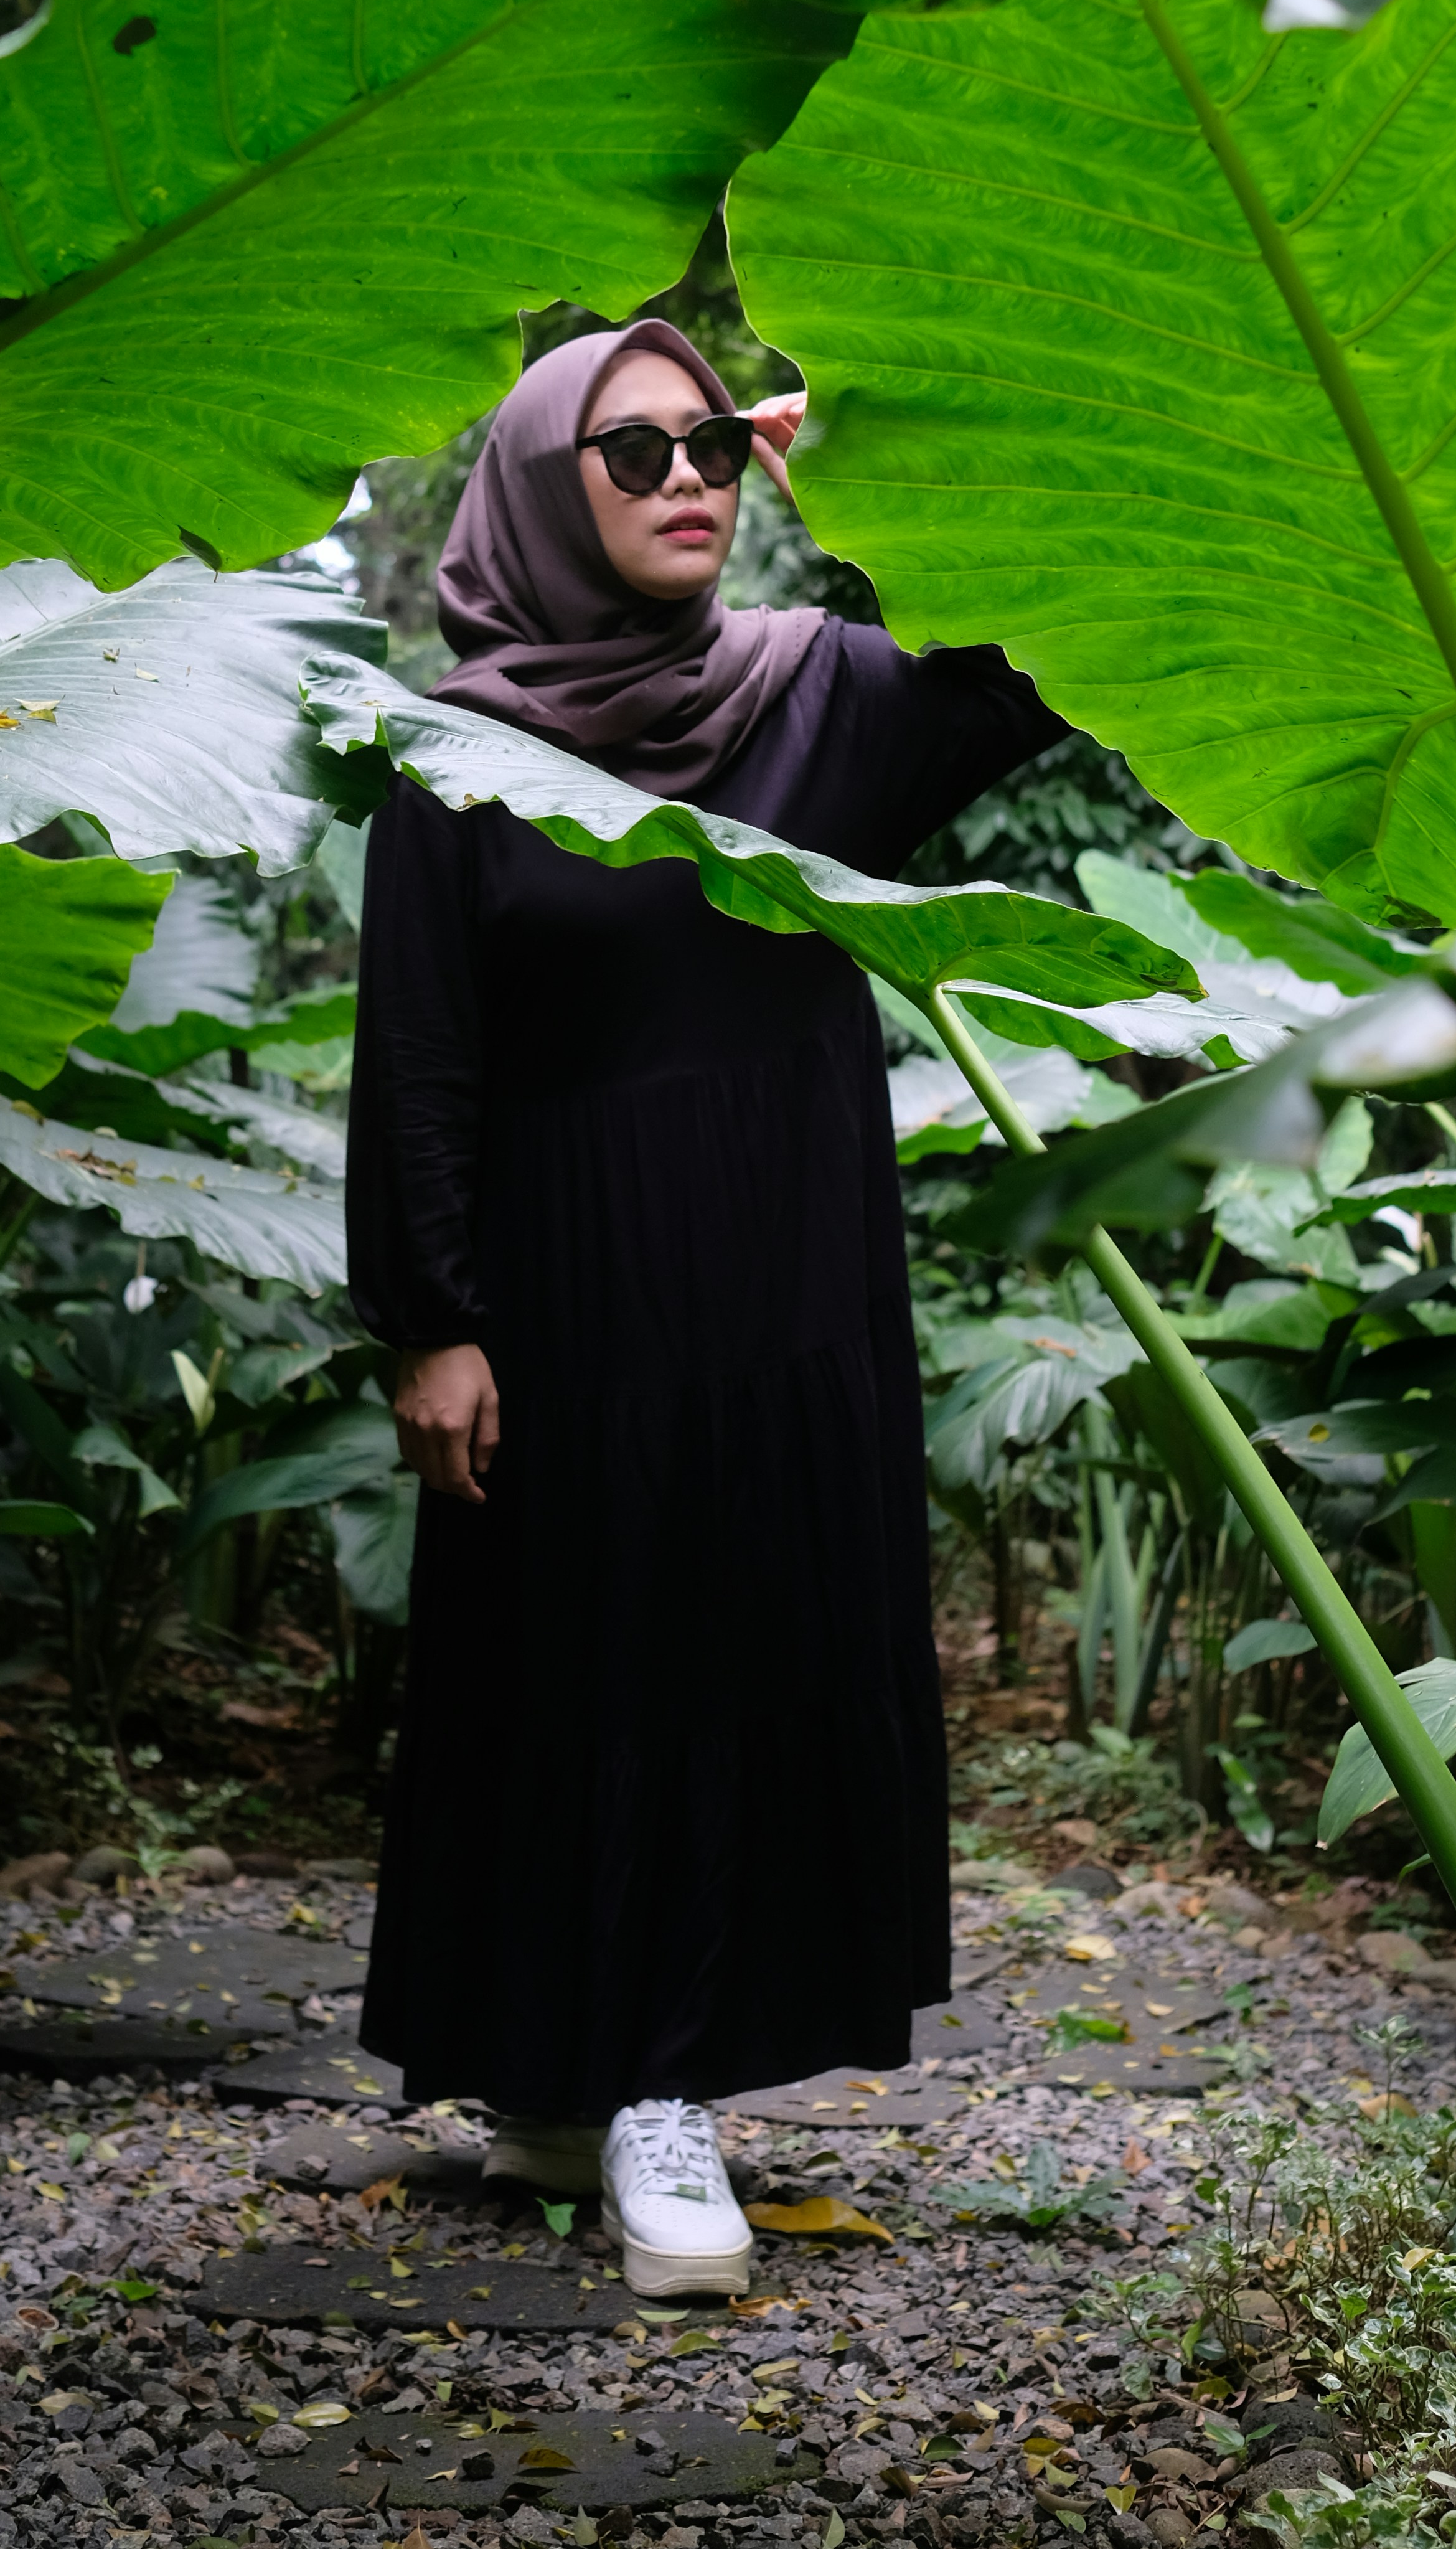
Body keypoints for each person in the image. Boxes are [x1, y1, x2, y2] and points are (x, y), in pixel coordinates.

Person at [346, 316, 1059, 2296]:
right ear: (537, 490)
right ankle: (581, 2083)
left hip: (787, 1282)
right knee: (579, 1666)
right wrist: (431, 1318)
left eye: (713, 452)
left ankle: (670, 2083)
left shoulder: (815, 692)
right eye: (633, 452)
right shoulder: (460, 753)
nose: (687, 484)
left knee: (747, 1645)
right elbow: (418, 1057)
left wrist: (877, 473)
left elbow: (1028, 673)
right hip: (571, 1296)